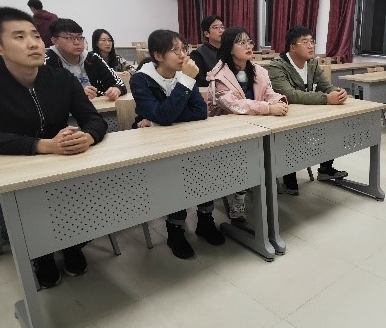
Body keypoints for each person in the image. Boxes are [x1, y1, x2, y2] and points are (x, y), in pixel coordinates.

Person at [0, 6, 108, 288]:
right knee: (27, 221)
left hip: (61, 164)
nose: (33, 44)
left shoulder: (61, 79)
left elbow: (93, 119)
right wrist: (43, 145)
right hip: (15, 166)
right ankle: (41, 256)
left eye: (35, 36)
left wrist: (88, 136)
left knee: (80, 205)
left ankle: (72, 244)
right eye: (19, 37)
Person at [130, 29, 225, 258]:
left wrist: (157, 119)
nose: (183, 55)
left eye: (184, 49)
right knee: (173, 176)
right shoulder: (140, 79)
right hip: (156, 147)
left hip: (187, 139)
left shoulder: (184, 74)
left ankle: (205, 219)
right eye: (176, 50)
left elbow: (200, 112)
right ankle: (175, 229)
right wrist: (183, 85)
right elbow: (163, 115)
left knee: (204, 168)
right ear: (158, 55)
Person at [205, 27, 288, 220]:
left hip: (256, 126)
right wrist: (268, 108)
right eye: (241, 42)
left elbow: (268, 93)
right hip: (227, 132)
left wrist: (279, 101)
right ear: (229, 48)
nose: (248, 46)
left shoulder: (259, 71)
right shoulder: (218, 76)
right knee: (245, 154)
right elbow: (234, 105)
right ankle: (240, 195)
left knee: (271, 148)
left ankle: (260, 183)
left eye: (249, 42)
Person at [268, 26, 349, 195]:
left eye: (312, 42)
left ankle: (325, 169)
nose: (311, 46)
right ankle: (288, 176)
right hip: (286, 117)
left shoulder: (312, 63)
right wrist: (326, 99)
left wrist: (338, 92)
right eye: (305, 42)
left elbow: (326, 86)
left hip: (309, 114)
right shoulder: (277, 66)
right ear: (292, 47)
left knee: (332, 127)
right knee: (292, 135)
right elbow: (290, 95)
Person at [44, 18, 126, 100]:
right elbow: (45, 94)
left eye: (80, 37)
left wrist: (116, 90)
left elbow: (119, 83)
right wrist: (77, 94)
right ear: (55, 41)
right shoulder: (46, 61)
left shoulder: (92, 58)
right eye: (69, 38)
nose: (77, 42)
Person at [189, 15, 224, 87]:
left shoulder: (230, 50)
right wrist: (219, 81)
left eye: (222, 27)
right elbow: (199, 80)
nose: (221, 30)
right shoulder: (198, 54)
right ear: (207, 34)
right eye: (216, 27)